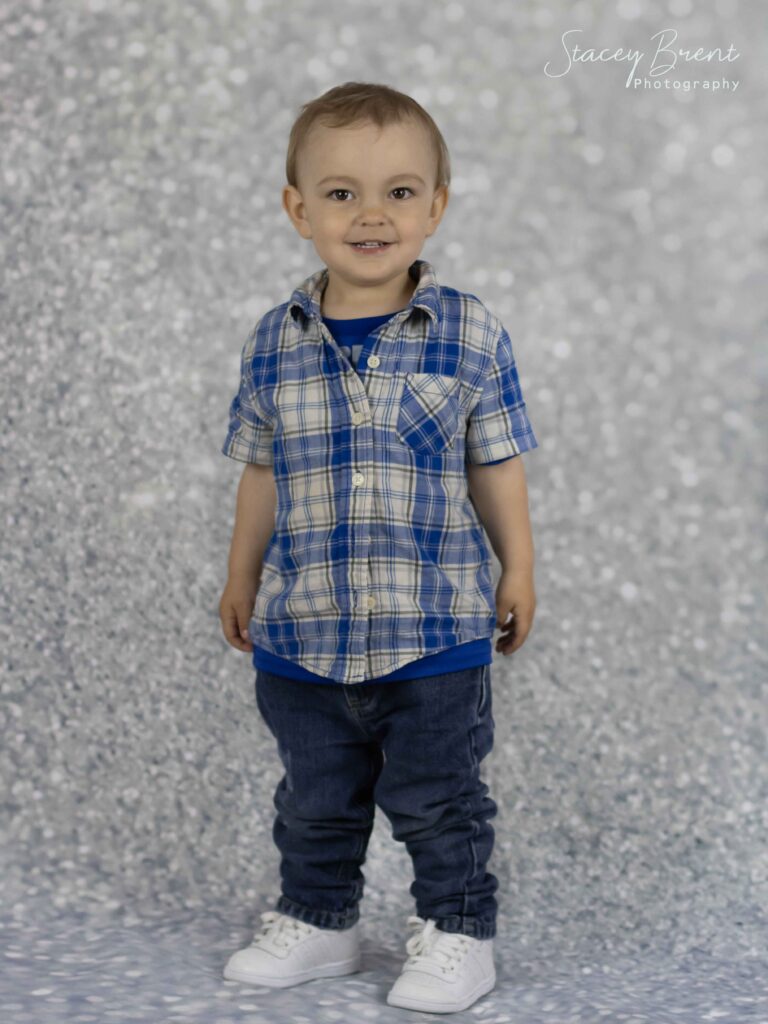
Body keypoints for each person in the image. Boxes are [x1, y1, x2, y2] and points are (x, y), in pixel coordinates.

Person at [218, 81, 538, 1014]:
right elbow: (262, 473)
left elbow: (497, 463)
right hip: (302, 629)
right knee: (313, 799)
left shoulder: (469, 332)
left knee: (440, 801)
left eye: (400, 192)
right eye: (342, 193)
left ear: (436, 206)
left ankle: (456, 932)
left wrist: (518, 565)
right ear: (299, 209)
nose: (372, 215)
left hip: (432, 627)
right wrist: (240, 575)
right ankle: (321, 922)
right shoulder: (272, 343)